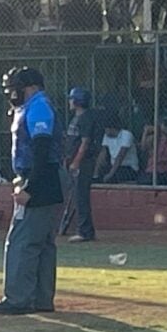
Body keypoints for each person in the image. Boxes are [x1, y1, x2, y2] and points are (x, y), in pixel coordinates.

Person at [0, 66, 63, 315]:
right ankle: (41, 299)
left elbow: (42, 150)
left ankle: (18, 299)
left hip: (39, 179)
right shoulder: (33, 106)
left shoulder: (38, 107)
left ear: (30, 87)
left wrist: (30, 187)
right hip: (46, 178)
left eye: (16, 88)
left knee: (21, 242)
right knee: (43, 243)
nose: (12, 93)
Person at [64, 86, 101, 243]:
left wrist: (76, 162)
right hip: (75, 161)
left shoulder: (86, 117)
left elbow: (85, 143)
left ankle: (84, 231)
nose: (70, 102)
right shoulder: (77, 117)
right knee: (78, 196)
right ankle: (85, 230)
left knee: (81, 196)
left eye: (72, 99)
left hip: (83, 163)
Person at [96, 114, 139, 183]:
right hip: (114, 166)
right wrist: (96, 173)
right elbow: (102, 154)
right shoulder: (107, 136)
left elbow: (120, 156)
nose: (104, 131)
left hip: (128, 167)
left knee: (116, 175)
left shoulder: (126, 135)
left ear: (111, 128)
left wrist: (110, 174)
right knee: (101, 175)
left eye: (105, 128)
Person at [139, 119, 167, 185]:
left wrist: (161, 159)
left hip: (164, 169)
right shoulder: (154, 138)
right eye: (164, 125)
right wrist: (145, 132)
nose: (166, 128)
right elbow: (143, 147)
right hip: (151, 169)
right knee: (143, 180)